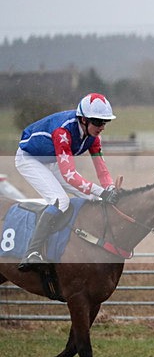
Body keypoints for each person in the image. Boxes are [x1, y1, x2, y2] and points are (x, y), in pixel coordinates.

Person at [15, 93, 120, 271]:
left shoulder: (93, 136)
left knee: (95, 199)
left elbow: (101, 168)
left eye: (105, 122)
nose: (101, 127)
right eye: (97, 121)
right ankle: (32, 252)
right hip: (30, 159)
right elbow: (69, 175)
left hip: (52, 159)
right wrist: (101, 191)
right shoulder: (62, 132)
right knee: (60, 201)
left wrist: (109, 188)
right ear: (84, 119)